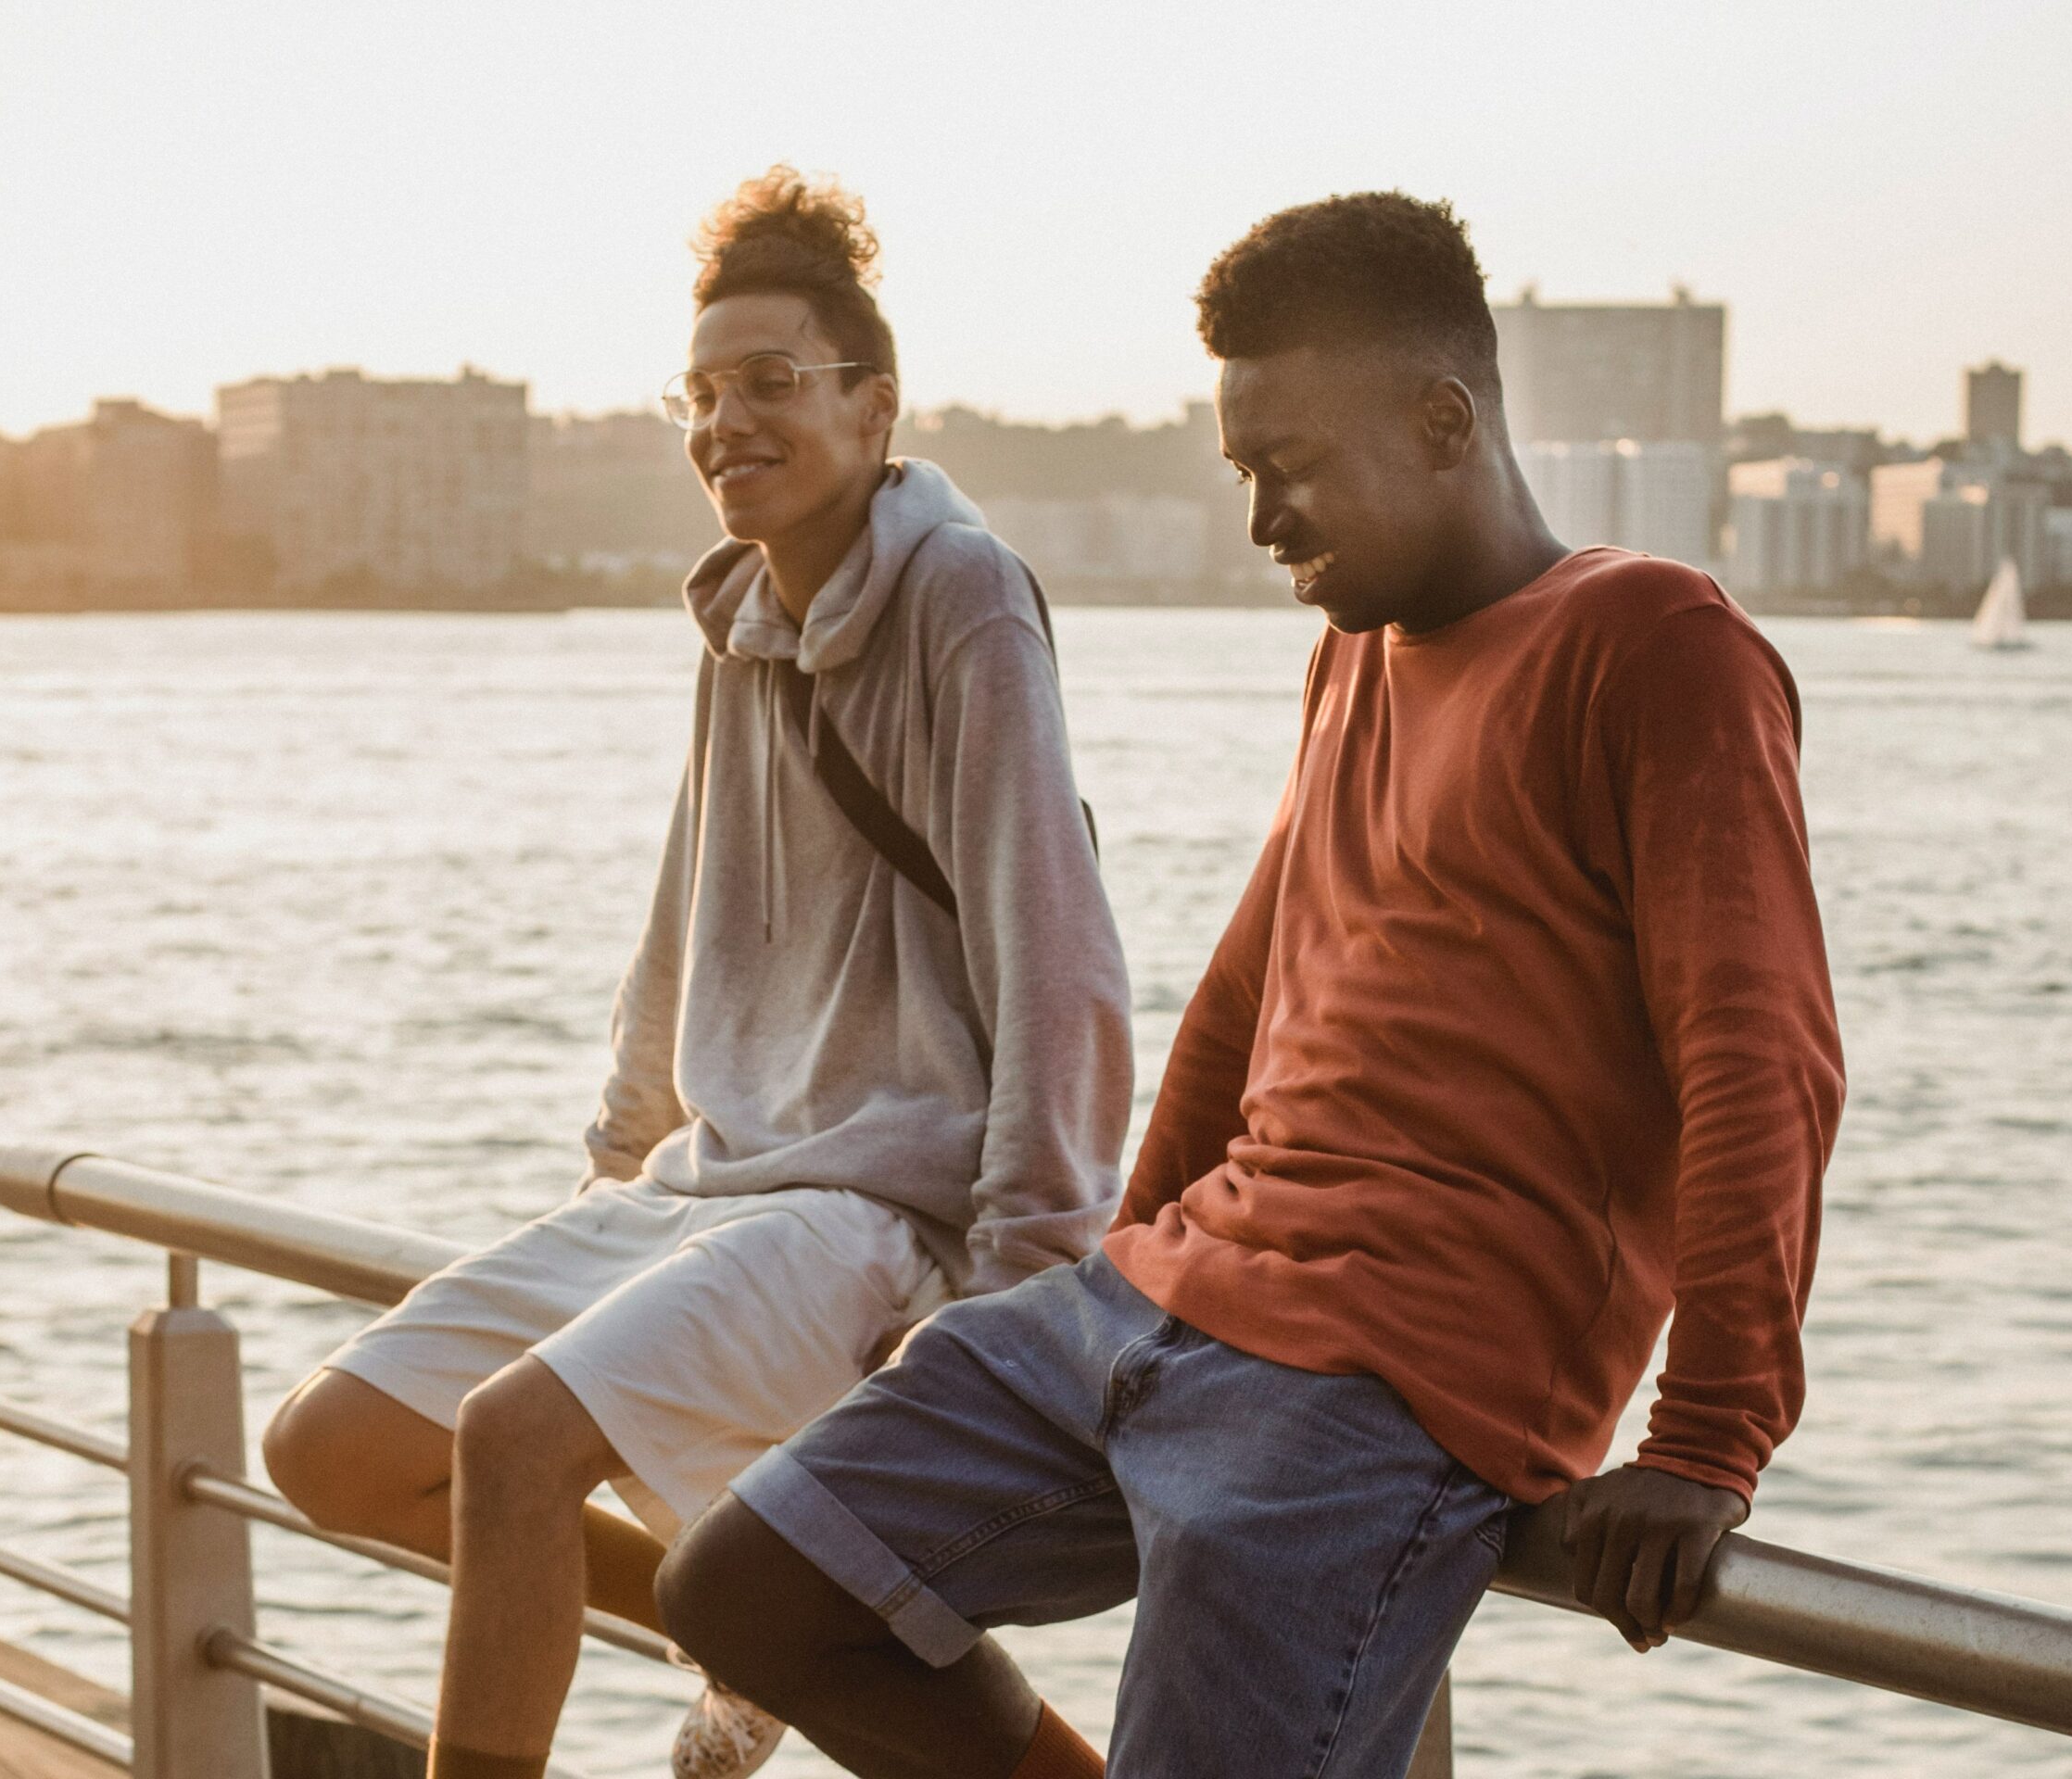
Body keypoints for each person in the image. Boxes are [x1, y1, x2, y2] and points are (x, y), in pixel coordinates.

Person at [654, 190, 1848, 1779]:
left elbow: (1759, 1056)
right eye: (1239, 474)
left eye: (1288, 469)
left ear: (1443, 423)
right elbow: (1235, 1011)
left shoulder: (1653, 641)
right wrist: (1115, 1259)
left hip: (1388, 1387)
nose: (1262, 520)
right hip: (1154, 1305)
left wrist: (1710, 1438)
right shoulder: (1355, 649)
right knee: (744, 1588)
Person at [259, 167, 1132, 1779]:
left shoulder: (962, 598)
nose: (729, 422)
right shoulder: (736, 623)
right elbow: (690, 917)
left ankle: (753, 1631)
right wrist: (618, 1165)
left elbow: (1058, 953)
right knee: (332, 1446)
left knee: (517, 1442)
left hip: (873, 1209)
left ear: (876, 408)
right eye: (704, 394)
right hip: (704, 1188)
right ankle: (740, 1627)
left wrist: (1019, 1293)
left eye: (775, 386)